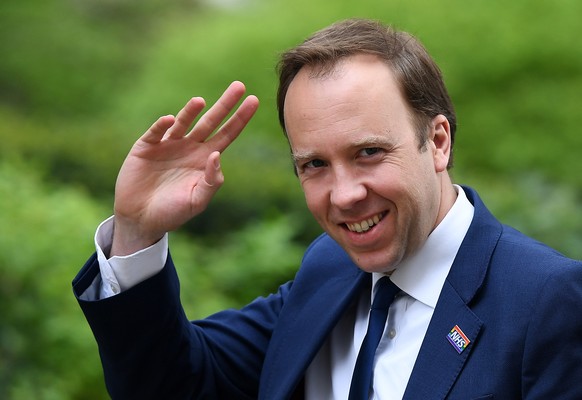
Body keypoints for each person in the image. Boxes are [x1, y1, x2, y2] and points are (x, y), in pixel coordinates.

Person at [73, 18, 582, 399]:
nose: (344, 195)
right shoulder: (329, 268)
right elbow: (171, 385)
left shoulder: (548, 302)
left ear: (438, 140)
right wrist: (137, 232)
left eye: (368, 153)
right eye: (314, 164)